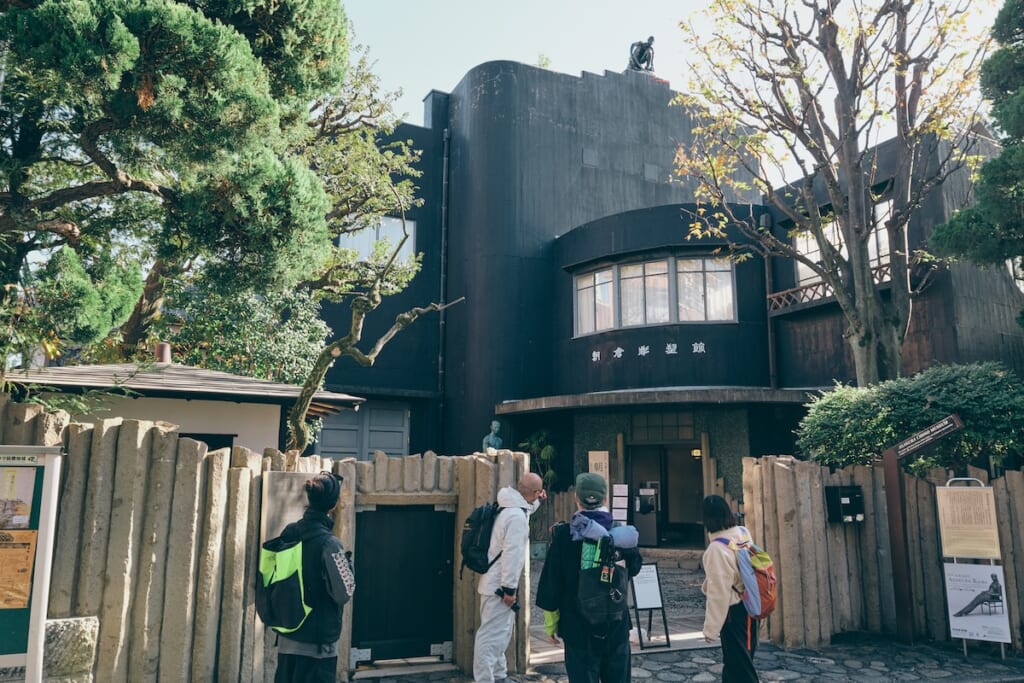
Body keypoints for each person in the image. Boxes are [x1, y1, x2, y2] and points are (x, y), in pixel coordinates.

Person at [536, 473, 642, 683]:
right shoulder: (621, 533)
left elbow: (552, 583)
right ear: (605, 498)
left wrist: (551, 624)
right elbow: (635, 568)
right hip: (615, 621)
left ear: (577, 498)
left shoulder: (565, 535)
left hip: (577, 625)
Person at [274, 471, 355, 683]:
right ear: (333, 505)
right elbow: (344, 592)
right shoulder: (330, 544)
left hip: (287, 640)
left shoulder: (289, 532)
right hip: (317, 648)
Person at [473, 472, 547, 683]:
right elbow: (512, 556)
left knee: (499, 634)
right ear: (535, 492)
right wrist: (509, 589)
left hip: (492, 583)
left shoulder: (508, 505)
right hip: (499, 586)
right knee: (492, 637)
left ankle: (498, 675)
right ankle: (485, 679)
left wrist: (538, 502)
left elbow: (527, 508)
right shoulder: (516, 517)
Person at [701, 494, 760, 682]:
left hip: (733, 612)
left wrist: (711, 629)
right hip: (750, 603)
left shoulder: (716, 549)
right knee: (741, 660)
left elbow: (718, 593)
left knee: (739, 665)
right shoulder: (743, 533)